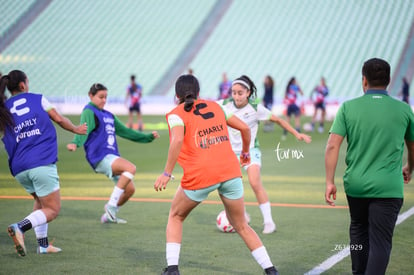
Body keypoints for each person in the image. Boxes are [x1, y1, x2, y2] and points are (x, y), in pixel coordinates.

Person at [154, 74, 279, 275]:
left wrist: (167, 173)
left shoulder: (176, 114)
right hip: (230, 170)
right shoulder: (217, 106)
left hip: (200, 174)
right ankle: (271, 270)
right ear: (198, 93)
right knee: (242, 225)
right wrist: (246, 154)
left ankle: (172, 269)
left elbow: (176, 141)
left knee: (176, 216)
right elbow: (245, 128)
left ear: (176, 95)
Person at [325, 58, 414, 275]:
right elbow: (413, 148)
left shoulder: (348, 107)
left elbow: (332, 146)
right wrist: (409, 168)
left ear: (364, 80)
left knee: (358, 231)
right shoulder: (403, 109)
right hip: (388, 187)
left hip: (356, 186)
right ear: (389, 80)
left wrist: (329, 182)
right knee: (380, 242)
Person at [0, 70, 87, 256]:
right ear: (23, 85)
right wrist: (76, 129)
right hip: (40, 161)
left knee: (40, 201)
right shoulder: (37, 99)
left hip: (19, 167)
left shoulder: (4, 108)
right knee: (53, 209)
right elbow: (59, 119)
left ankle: (43, 245)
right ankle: (20, 227)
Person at [220, 75, 311, 234]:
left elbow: (278, 120)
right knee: (229, 187)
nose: (236, 96)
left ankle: (269, 222)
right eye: (233, 93)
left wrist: (296, 134)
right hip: (229, 153)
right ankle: (241, 216)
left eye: (240, 93)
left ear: (248, 92)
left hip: (250, 151)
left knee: (255, 183)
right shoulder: (224, 105)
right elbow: (204, 106)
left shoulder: (256, 108)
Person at [67, 83, 159, 224]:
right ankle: (111, 206)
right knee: (131, 168)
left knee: (130, 190)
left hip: (111, 156)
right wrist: (76, 142)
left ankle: (109, 216)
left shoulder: (109, 115)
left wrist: (147, 137)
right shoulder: (89, 111)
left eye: (106, 97)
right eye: (100, 97)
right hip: (99, 156)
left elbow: (126, 132)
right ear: (90, 96)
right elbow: (83, 129)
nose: (104, 100)